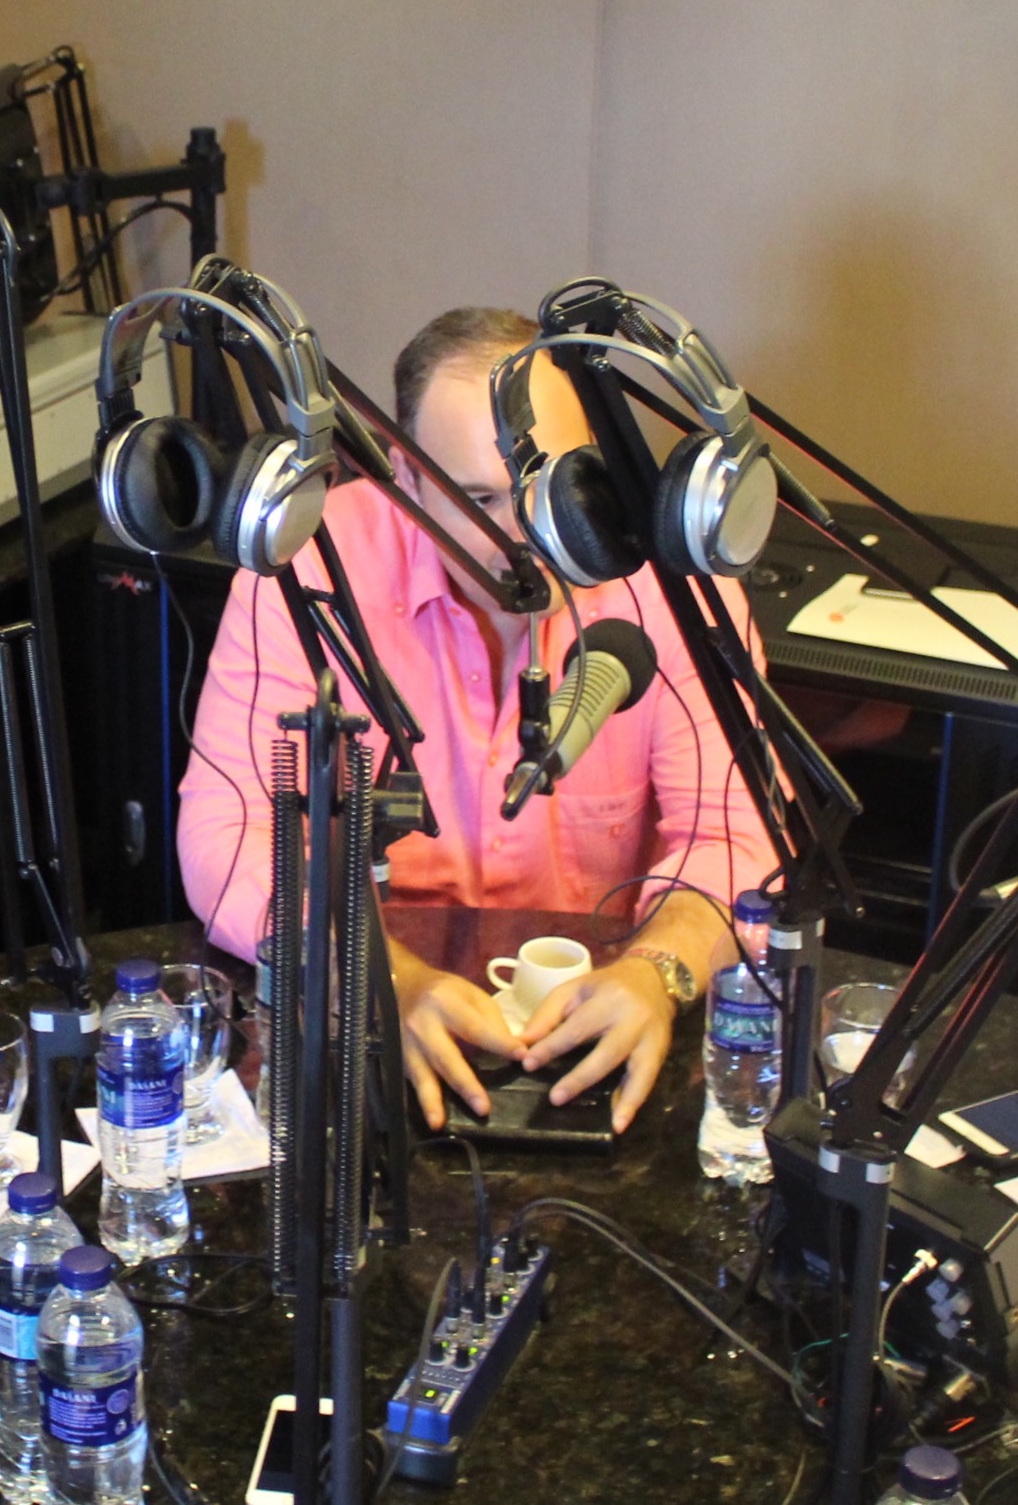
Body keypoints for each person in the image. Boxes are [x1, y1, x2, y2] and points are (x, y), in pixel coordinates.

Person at [177, 307, 773, 1134]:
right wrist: (374, 976)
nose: (523, 537)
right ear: (406, 478)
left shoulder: (671, 586)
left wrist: (658, 970)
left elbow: (734, 833)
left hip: (593, 1019)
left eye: (551, 484)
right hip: (364, 1018)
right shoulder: (306, 568)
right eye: (480, 497)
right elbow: (226, 833)